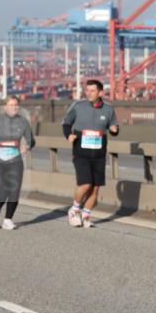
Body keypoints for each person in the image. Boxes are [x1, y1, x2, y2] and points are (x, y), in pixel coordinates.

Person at [61, 79, 119, 228]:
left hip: (99, 155)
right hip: (81, 153)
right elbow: (66, 123)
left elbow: (114, 126)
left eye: (92, 91)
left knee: (95, 188)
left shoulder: (108, 109)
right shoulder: (78, 106)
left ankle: (85, 216)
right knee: (85, 184)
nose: (89, 93)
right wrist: (69, 135)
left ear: (100, 92)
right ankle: (74, 210)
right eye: (87, 90)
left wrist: (114, 130)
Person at [0, 95, 35, 230]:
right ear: (5, 107)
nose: (14, 107)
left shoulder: (23, 122)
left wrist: (27, 146)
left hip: (15, 159)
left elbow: (31, 140)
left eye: (16, 105)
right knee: (3, 190)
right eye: (11, 105)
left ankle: (8, 220)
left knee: (14, 191)